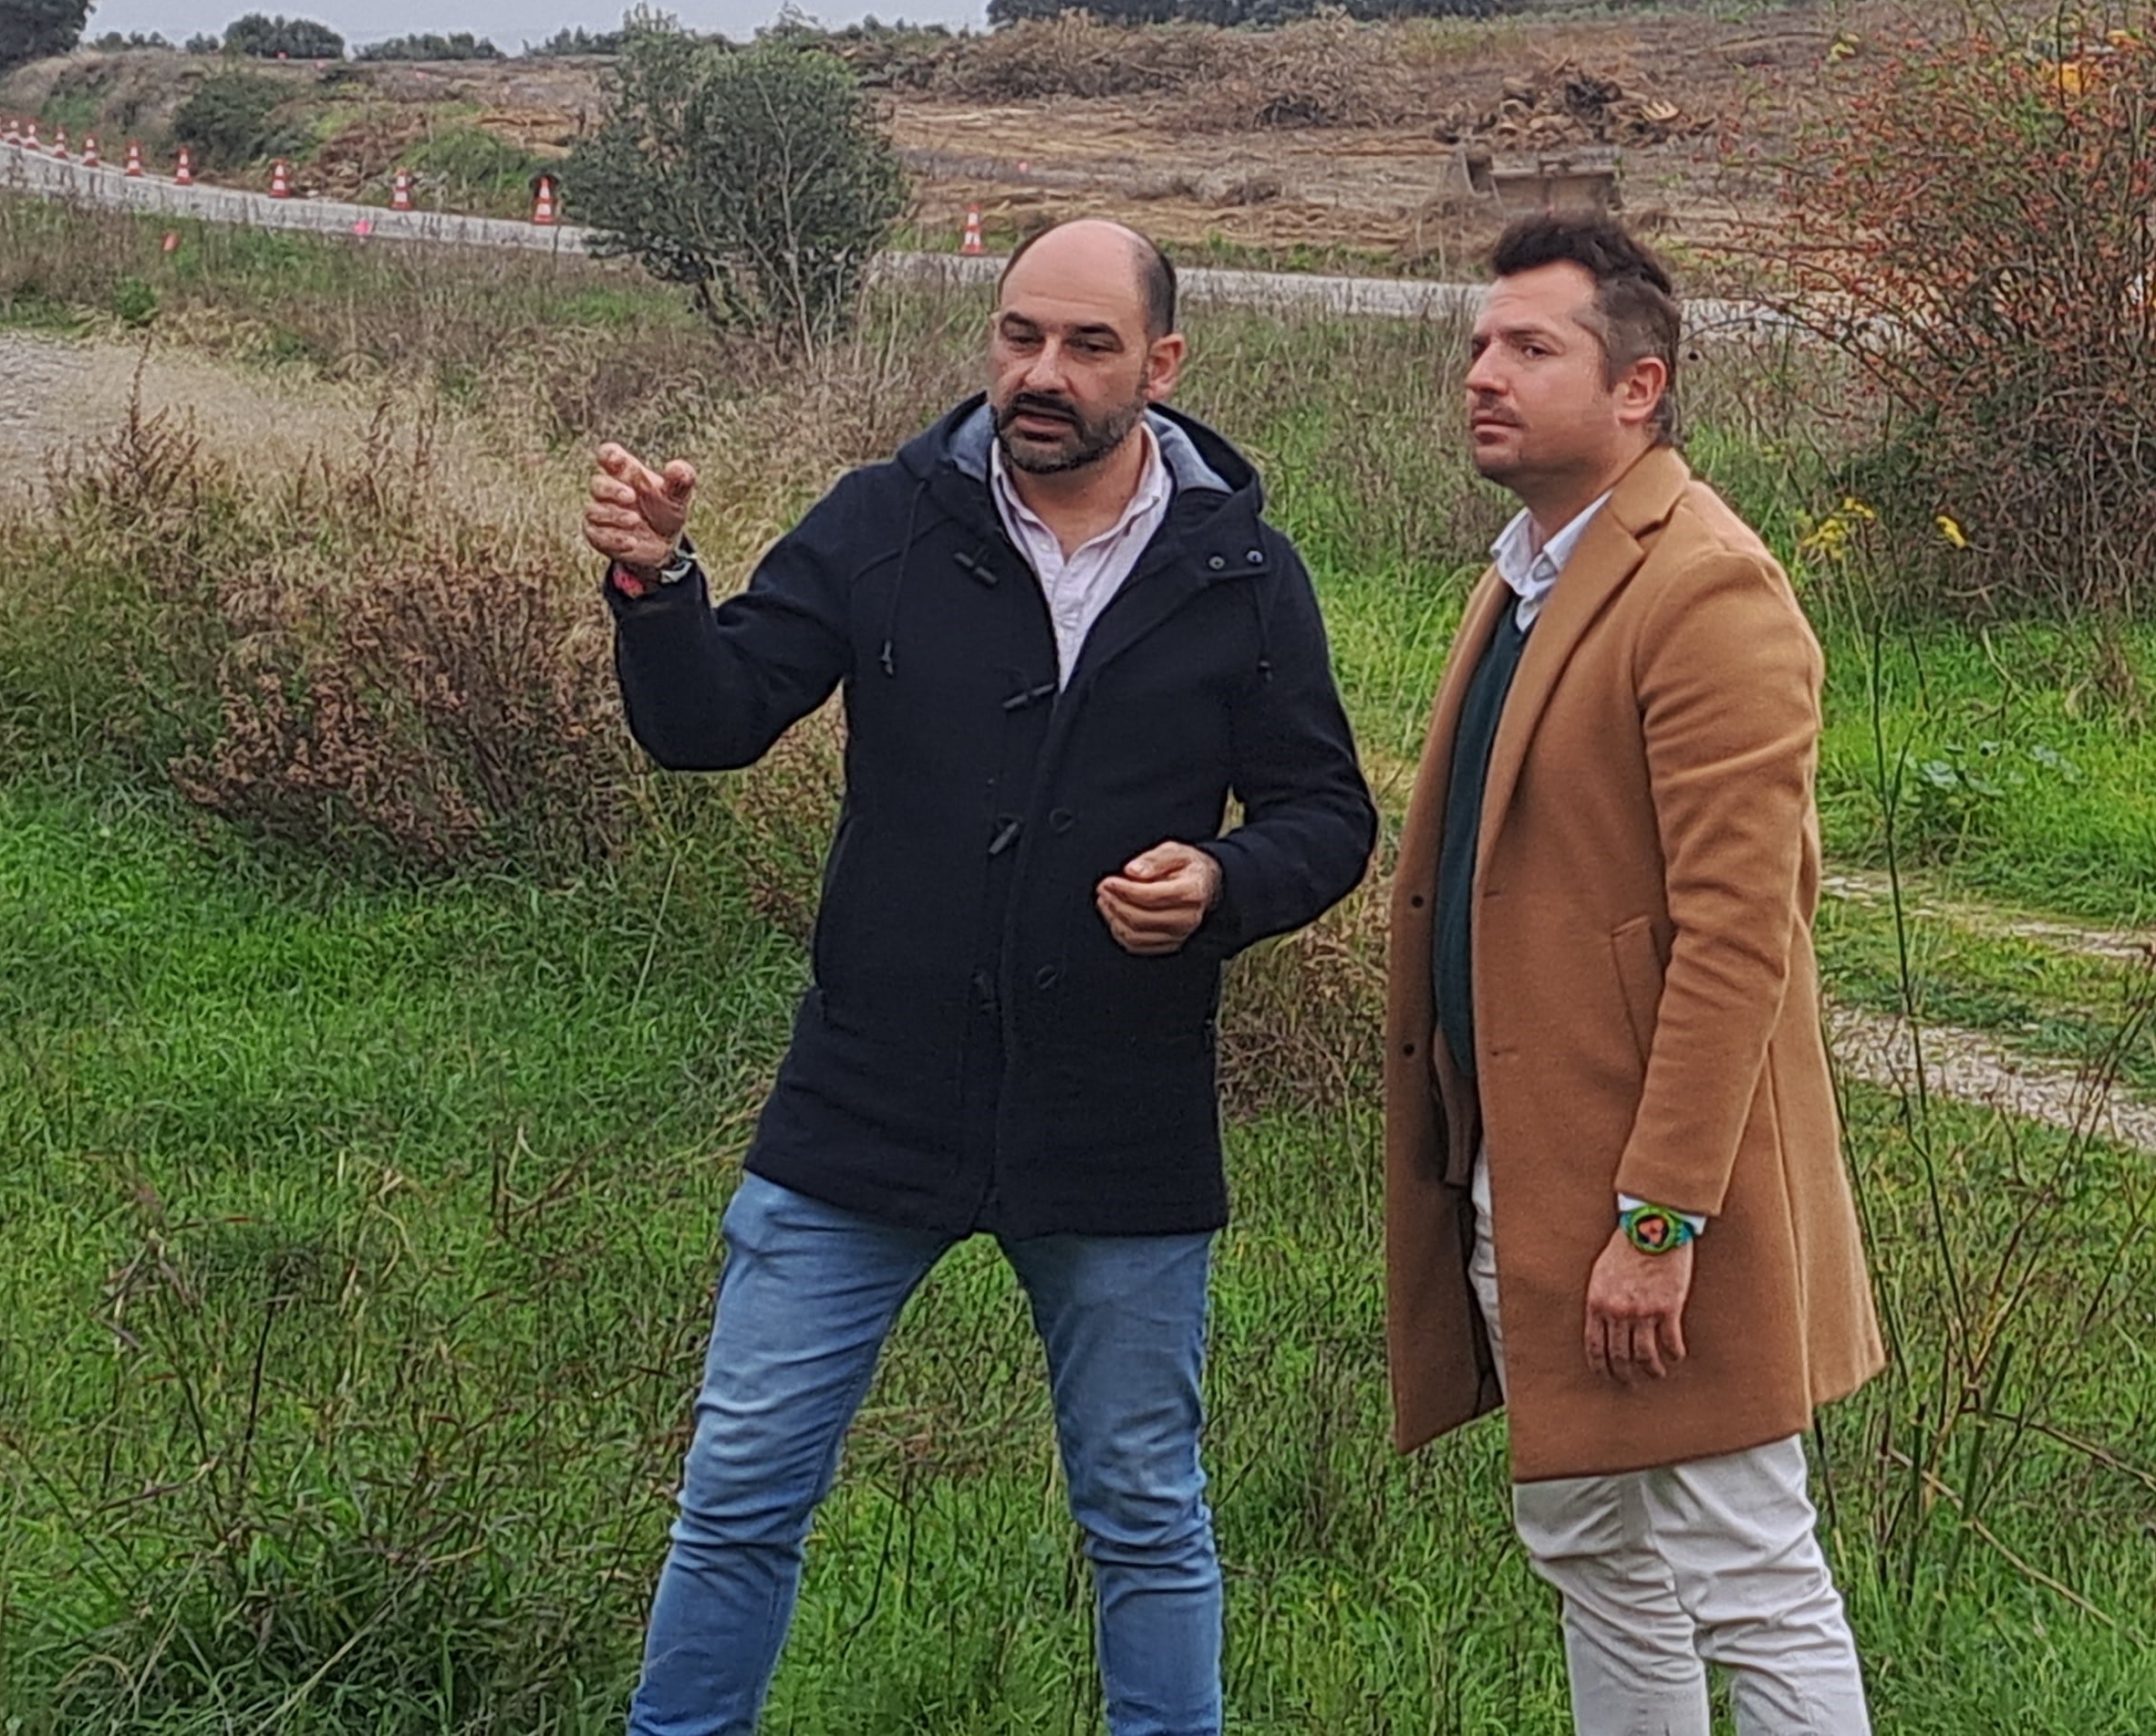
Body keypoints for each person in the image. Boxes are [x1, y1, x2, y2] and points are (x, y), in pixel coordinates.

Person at [581, 218, 1374, 1736]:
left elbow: (1327, 817)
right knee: (738, 1493)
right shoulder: (885, 521)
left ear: (1161, 362)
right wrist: (660, 586)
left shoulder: (1239, 573)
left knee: (1145, 1516)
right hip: (866, 1103)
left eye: (1086, 346)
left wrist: (1219, 885)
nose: (1043, 374)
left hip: (1118, 1119)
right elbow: (712, 720)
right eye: (1020, 337)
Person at [1384, 212, 1884, 1734]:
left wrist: (1659, 1217)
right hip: (1520, 1170)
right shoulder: (1529, 574)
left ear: (1639, 389)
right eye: (1480, 343)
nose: (1485, 372)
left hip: (1659, 1199)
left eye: (1531, 348)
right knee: (1593, 1546)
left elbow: (1742, 941)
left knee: (1743, 1566)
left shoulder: (1707, 590)